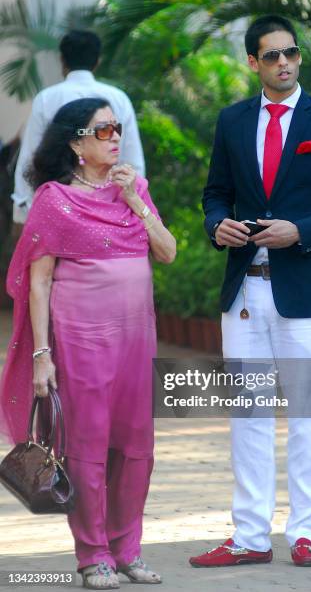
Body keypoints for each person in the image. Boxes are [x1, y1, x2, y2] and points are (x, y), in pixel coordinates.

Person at [190, 15, 311, 568]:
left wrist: (302, 230)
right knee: (250, 417)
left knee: (310, 414)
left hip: (302, 292)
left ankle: (306, 533)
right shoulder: (232, 121)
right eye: (271, 55)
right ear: (252, 63)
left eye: (291, 52)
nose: (284, 62)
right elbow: (215, 194)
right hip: (244, 292)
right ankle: (249, 538)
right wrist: (218, 224)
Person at [0, 97, 176, 589]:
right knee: (88, 447)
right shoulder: (55, 200)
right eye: (103, 131)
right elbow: (38, 283)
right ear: (77, 143)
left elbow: (167, 252)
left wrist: (136, 202)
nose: (116, 137)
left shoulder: (133, 189)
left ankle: (129, 550)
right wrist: (41, 356)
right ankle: (93, 555)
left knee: (137, 446)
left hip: (137, 341)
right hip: (82, 341)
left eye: (117, 128)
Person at [12, 30, 145, 225]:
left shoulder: (47, 98)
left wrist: (24, 212)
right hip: (110, 212)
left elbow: (30, 157)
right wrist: (134, 209)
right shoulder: (118, 99)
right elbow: (133, 162)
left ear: (62, 61)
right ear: (97, 61)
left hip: (56, 210)